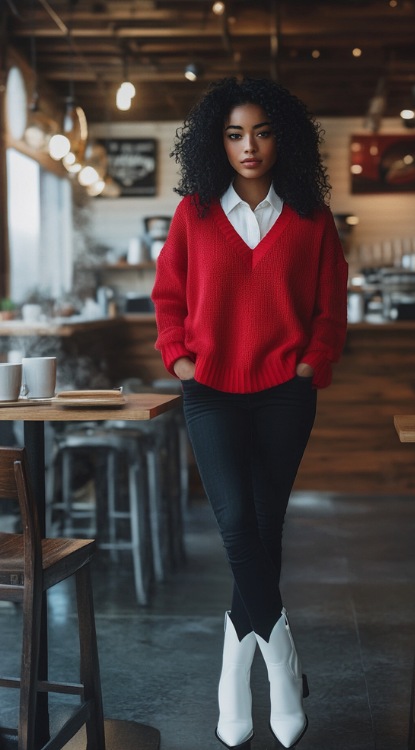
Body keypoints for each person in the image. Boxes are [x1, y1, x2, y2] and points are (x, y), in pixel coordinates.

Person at [152, 77, 348, 750]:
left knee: (266, 526)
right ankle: (281, 667)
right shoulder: (194, 213)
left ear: (281, 136)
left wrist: (311, 362)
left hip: (285, 390)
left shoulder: (311, 215)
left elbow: (332, 304)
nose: (249, 145)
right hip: (209, 389)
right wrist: (178, 357)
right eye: (235, 133)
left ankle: (233, 671)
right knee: (237, 522)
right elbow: (167, 296)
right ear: (217, 141)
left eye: (261, 131)